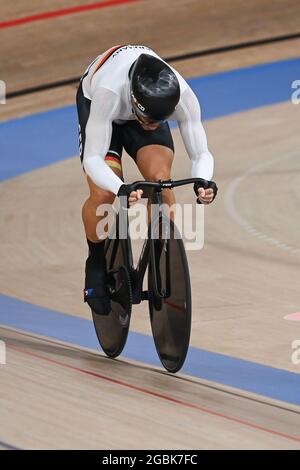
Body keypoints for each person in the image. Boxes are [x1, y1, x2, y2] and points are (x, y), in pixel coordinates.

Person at [76, 44, 218, 315]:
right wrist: (120, 187)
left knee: (161, 181)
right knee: (104, 194)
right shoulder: (108, 94)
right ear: (135, 101)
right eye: (149, 120)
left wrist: (203, 180)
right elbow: (93, 160)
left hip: (138, 106)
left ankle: (160, 254)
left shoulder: (182, 97)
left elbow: (201, 152)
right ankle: (94, 262)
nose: (153, 126)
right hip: (99, 109)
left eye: (159, 121)